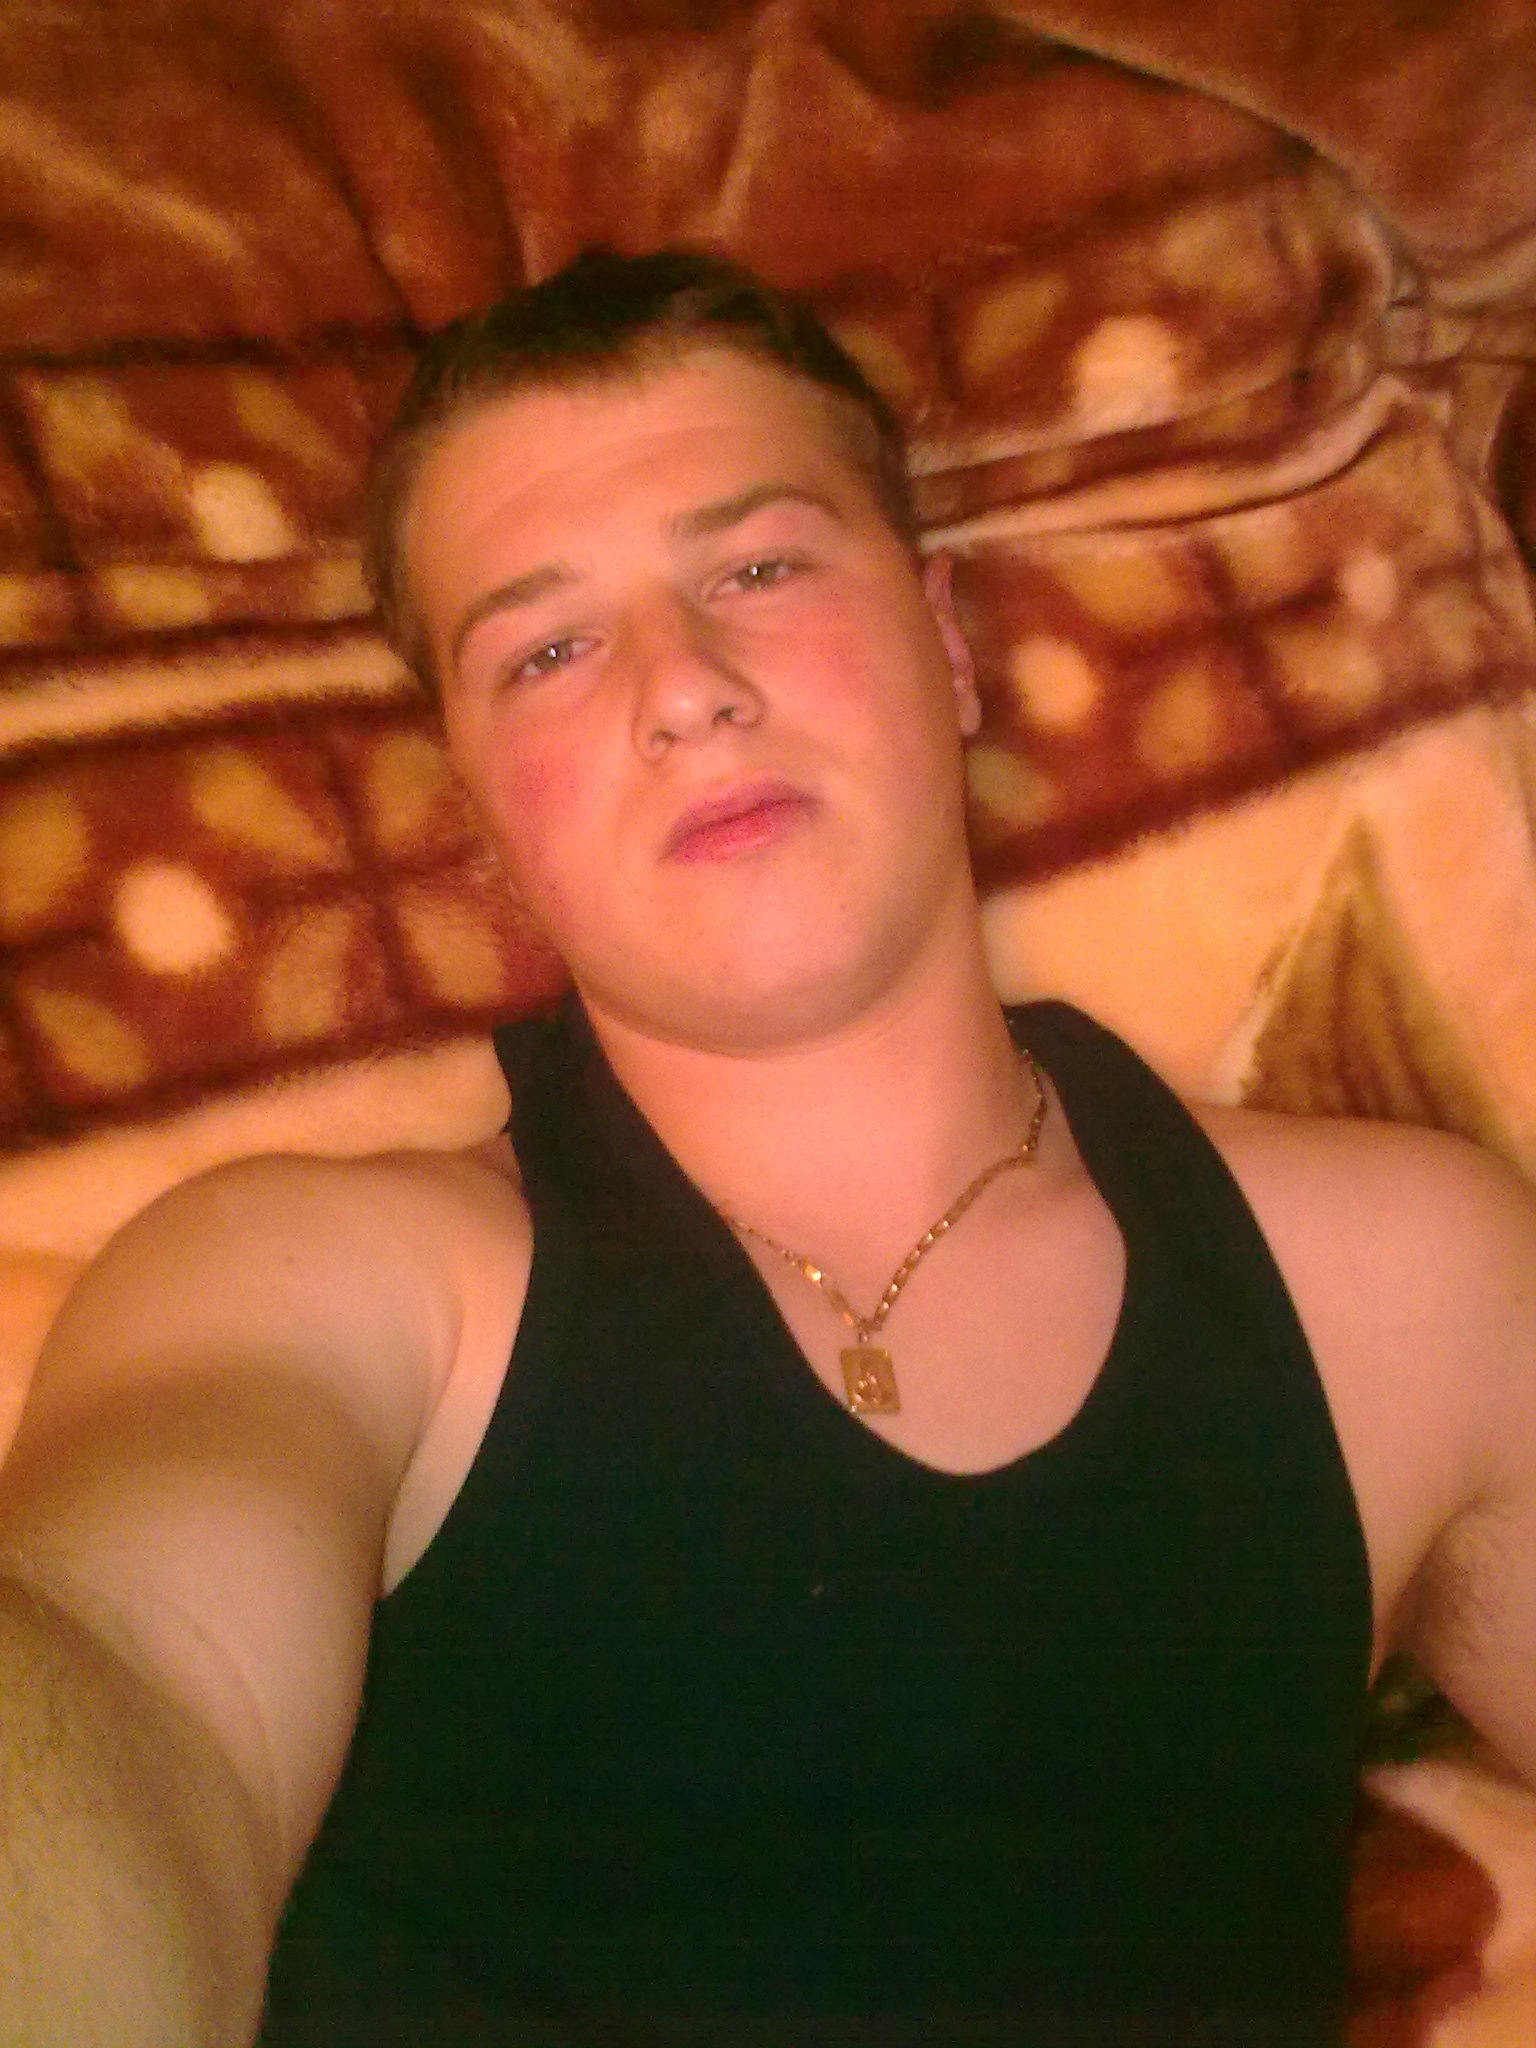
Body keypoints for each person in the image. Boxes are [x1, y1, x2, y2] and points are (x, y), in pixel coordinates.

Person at [1, 247, 1534, 2048]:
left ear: (947, 644)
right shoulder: (315, 1286)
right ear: (477, 807)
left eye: (758, 567)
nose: (682, 686)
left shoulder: (1407, 1285)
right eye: (548, 649)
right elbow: (127, 1680)